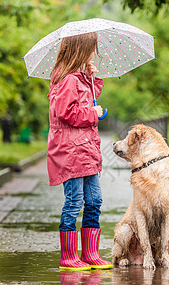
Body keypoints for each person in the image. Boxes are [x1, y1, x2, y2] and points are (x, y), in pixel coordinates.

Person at [47, 32, 112, 271]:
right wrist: (94, 114)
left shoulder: (79, 78)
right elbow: (68, 114)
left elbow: (88, 99)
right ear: (80, 49)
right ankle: (68, 256)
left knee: (94, 201)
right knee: (74, 202)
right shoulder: (66, 80)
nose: (95, 52)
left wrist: (93, 78)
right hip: (71, 152)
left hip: (86, 151)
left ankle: (91, 253)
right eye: (92, 48)